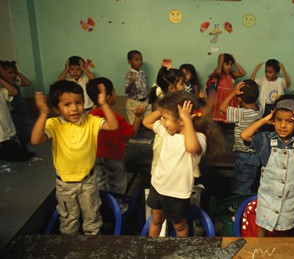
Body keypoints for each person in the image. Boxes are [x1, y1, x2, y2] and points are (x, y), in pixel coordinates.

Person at [31, 80, 118, 235]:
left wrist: (103, 104)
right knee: (69, 223)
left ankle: (91, 249)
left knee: (92, 221)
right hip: (65, 185)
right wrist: (43, 114)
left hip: (89, 182)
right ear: (56, 108)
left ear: (84, 103)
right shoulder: (54, 124)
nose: (74, 108)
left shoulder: (90, 121)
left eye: (78, 102)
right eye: (67, 104)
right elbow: (36, 140)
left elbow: (113, 126)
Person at [241, 94, 294, 237]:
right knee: (262, 228)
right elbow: (245, 135)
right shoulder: (266, 140)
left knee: (285, 235)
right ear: (273, 120)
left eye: (289, 121)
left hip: (290, 202)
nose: (283, 125)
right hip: (267, 200)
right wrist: (265, 119)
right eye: (279, 120)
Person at [142, 91, 223, 236]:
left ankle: (180, 252)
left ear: (181, 121)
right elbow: (146, 121)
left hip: (176, 194)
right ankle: (152, 248)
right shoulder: (167, 131)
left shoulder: (198, 137)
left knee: (179, 226)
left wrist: (187, 119)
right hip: (157, 186)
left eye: (165, 118)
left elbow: (191, 148)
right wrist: (163, 109)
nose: (162, 121)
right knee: (156, 219)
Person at [86, 77, 144, 213]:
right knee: (117, 183)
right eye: (113, 91)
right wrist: (138, 116)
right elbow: (132, 134)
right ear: (108, 97)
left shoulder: (89, 115)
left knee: (99, 181)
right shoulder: (115, 118)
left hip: (94, 155)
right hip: (113, 156)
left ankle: (102, 205)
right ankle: (117, 207)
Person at [219, 79, 263, 195]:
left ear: (239, 98)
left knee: (239, 187)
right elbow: (254, 98)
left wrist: (233, 92)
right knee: (249, 183)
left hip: (244, 154)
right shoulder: (259, 109)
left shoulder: (242, 113)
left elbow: (222, 108)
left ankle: (238, 209)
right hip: (255, 153)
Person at [148, 67, 186, 175]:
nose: (184, 87)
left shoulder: (174, 99)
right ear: (171, 88)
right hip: (165, 141)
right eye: (182, 84)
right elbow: (146, 121)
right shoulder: (168, 104)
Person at [0, 60, 35, 145]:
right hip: (16, 115)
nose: (13, 75)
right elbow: (13, 92)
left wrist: (18, 73)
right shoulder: (3, 87)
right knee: (25, 135)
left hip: (24, 111)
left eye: (14, 73)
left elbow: (27, 83)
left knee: (34, 131)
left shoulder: (16, 82)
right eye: (9, 73)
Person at [210, 53, 246, 122]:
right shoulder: (218, 74)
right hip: (220, 100)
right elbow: (218, 72)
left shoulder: (232, 74)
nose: (229, 67)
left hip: (230, 99)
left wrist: (235, 62)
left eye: (230, 65)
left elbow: (243, 73)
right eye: (227, 64)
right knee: (220, 118)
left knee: (229, 117)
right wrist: (220, 61)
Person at [125, 50, 151, 124]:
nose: (139, 62)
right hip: (134, 102)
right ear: (129, 61)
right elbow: (126, 90)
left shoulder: (142, 73)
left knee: (148, 121)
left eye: (141, 60)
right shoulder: (129, 74)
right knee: (134, 124)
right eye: (136, 60)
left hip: (145, 101)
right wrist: (131, 82)